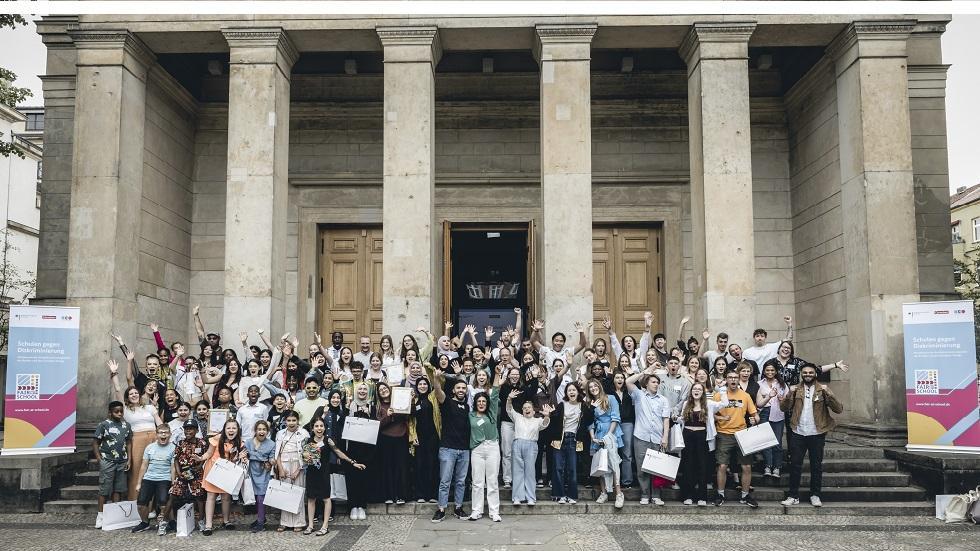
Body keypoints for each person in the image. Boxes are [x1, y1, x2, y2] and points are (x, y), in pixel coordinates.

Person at [780, 364, 844, 507]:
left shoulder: (822, 389)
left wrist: (829, 393)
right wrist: (789, 394)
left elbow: (838, 409)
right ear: (801, 374)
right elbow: (783, 408)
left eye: (810, 372)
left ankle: (815, 495)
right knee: (795, 465)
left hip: (817, 433)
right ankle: (793, 496)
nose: (807, 374)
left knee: (816, 466)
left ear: (815, 374)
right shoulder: (796, 389)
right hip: (798, 432)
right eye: (805, 372)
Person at [108, 359, 163, 501]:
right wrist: (114, 373)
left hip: (154, 438)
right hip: (137, 439)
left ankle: (152, 505)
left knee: (155, 470)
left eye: (135, 393)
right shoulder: (125, 410)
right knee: (137, 470)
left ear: (139, 394)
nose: (134, 395)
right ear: (127, 397)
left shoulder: (150, 407)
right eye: (131, 394)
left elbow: (159, 423)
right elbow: (118, 389)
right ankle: (135, 502)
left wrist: (164, 434)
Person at [303, 417, 364, 536]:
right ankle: (310, 525)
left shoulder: (328, 440)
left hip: (324, 473)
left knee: (326, 498)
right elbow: (305, 457)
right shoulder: (308, 441)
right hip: (311, 473)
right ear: (312, 428)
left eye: (321, 426)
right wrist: (306, 457)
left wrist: (352, 462)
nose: (319, 428)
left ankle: (325, 526)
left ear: (324, 428)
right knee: (311, 499)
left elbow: (338, 452)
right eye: (316, 426)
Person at [712, 371, 760, 508]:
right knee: (722, 465)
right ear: (726, 380)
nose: (733, 380)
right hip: (723, 433)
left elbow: (755, 415)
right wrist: (720, 418)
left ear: (739, 380)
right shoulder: (719, 395)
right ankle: (720, 494)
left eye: (735, 377)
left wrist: (755, 420)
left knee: (747, 466)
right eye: (730, 377)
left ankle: (745, 496)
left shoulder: (745, 396)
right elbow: (710, 414)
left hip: (742, 433)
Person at [625, 368, 670, 506]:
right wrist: (645, 372)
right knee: (642, 467)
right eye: (653, 382)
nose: (656, 384)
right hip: (641, 436)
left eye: (657, 382)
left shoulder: (663, 400)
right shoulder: (639, 395)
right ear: (646, 383)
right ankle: (645, 494)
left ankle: (656, 495)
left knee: (657, 468)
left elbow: (666, 419)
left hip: (657, 437)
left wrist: (665, 437)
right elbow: (628, 381)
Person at [431, 375, 470, 522]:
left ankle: (458, 508)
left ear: (466, 391)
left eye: (463, 388)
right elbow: (438, 391)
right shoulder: (447, 402)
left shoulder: (467, 407)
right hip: (448, 449)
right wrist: (436, 379)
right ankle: (441, 509)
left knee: (461, 481)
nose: (461, 390)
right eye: (458, 388)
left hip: (464, 450)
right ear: (453, 390)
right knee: (445, 481)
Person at [505, 389, 553, 507]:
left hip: (531, 445)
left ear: (533, 410)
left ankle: (530, 497)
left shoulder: (537, 420)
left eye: (529, 407)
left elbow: (545, 424)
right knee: (517, 472)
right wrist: (509, 398)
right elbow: (509, 409)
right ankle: (517, 497)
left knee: (530, 472)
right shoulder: (518, 417)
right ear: (522, 410)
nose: (527, 409)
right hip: (518, 444)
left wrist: (547, 415)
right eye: (525, 408)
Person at [201, 419, 248, 536]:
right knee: (211, 496)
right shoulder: (217, 438)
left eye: (234, 428)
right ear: (224, 429)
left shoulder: (239, 442)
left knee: (226, 497)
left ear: (238, 430)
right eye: (228, 428)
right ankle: (208, 525)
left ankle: (226, 521)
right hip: (213, 469)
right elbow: (209, 453)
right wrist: (200, 458)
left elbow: (234, 460)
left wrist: (240, 457)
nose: (231, 430)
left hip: (227, 471)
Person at [546, 381, 591, 504]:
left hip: (574, 439)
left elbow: (589, 420)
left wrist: (592, 407)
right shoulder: (562, 405)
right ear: (566, 393)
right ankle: (558, 494)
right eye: (569, 390)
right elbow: (554, 422)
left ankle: (572, 495)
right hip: (559, 439)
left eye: (573, 390)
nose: (571, 392)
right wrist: (550, 414)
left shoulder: (583, 406)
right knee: (558, 467)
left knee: (572, 468)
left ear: (578, 392)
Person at [93, 401, 133, 529]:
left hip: (122, 461)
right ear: (110, 412)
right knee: (104, 489)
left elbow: (129, 442)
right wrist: (99, 459)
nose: (119, 414)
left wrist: (129, 459)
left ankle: (115, 515)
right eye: (116, 411)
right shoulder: (103, 425)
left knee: (118, 489)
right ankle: (100, 516)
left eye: (121, 411)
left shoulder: (126, 425)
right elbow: (95, 442)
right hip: (107, 461)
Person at [468, 374, 502, 521]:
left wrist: (497, 374)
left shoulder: (491, 414)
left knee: (492, 481)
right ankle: (476, 510)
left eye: (483, 401)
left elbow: (494, 394)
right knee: (477, 482)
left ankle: (494, 512)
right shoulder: (470, 415)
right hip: (477, 449)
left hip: (492, 447)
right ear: (475, 403)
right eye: (479, 401)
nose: (481, 403)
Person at [676, 382, 717, 506]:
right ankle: (688, 496)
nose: (697, 391)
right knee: (688, 466)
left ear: (703, 392)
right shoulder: (686, 404)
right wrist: (676, 418)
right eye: (694, 389)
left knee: (702, 466)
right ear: (691, 391)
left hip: (702, 437)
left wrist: (720, 388)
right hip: (688, 436)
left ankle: (702, 497)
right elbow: (683, 420)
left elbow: (724, 404)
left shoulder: (708, 404)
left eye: (699, 389)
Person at [587, 379, 625, 508]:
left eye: (595, 385)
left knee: (614, 463)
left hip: (611, 433)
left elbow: (616, 417)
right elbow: (590, 423)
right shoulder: (590, 403)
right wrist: (593, 437)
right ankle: (604, 492)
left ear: (600, 386)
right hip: (598, 434)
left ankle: (619, 493)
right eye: (590, 387)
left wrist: (609, 435)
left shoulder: (611, 398)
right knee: (601, 463)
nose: (593, 388)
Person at [131, 425, 176, 534]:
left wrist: (173, 483)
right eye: (161, 432)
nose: (163, 434)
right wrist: (138, 483)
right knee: (141, 504)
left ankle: (169, 522)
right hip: (149, 478)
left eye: (166, 432)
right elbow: (144, 465)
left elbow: (173, 467)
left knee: (163, 503)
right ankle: (145, 523)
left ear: (170, 434)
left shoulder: (173, 448)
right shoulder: (149, 447)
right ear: (156, 435)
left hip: (164, 478)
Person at [167, 419, 207, 533]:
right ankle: (164, 522)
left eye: (191, 429)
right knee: (173, 495)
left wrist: (199, 467)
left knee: (199, 497)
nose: (188, 431)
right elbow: (175, 459)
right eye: (186, 429)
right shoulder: (180, 443)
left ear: (196, 430)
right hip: (183, 473)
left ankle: (201, 521)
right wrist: (178, 472)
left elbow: (205, 457)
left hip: (196, 473)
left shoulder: (202, 443)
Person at [345, 383, 376, 520]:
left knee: (364, 478)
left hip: (367, 448)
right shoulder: (349, 406)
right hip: (352, 447)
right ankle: (353, 506)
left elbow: (376, 425)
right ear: (356, 391)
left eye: (365, 389)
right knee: (352, 478)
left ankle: (362, 506)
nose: (362, 391)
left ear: (368, 392)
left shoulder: (372, 407)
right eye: (360, 389)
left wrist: (369, 414)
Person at [376, 382, 410, 505]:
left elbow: (408, 414)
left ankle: (401, 496)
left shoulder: (398, 401)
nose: (383, 390)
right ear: (378, 394)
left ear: (389, 389)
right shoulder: (379, 407)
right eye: (380, 390)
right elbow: (377, 425)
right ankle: (389, 496)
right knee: (388, 468)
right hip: (386, 439)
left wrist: (409, 400)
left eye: (385, 387)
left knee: (401, 467)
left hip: (401, 437)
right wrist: (388, 416)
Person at [275, 411, 310, 532]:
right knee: (285, 493)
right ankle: (285, 521)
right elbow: (277, 453)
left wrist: (298, 470)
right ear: (285, 421)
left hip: (298, 464)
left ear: (298, 421)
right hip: (284, 464)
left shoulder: (304, 433)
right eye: (289, 420)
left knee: (298, 493)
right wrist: (280, 469)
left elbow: (307, 454)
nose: (291, 423)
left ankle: (299, 521)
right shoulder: (280, 433)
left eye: (293, 420)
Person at [408, 373, 440, 503]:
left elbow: (440, 384)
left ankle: (432, 494)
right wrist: (413, 436)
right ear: (416, 387)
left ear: (428, 385)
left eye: (425, 384)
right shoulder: (414, 400)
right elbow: (410, 419)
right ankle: (420, 494)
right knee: (419, 465)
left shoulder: (433, 397)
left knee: (432, 465)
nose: (422, 386)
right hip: (419, 438)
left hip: (433, 437)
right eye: (420, 384)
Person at [762, 340, 849, 387]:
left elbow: (816, 369)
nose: (786, 349)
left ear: (791, 351)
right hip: (774, 396)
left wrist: (835, 365)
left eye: (788, 348)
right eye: (784, 347)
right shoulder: (771, 362)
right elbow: (763, 380)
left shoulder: (797, 362)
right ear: (779, 349)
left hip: (792, 396)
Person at [756, 363, 789, 478]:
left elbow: (788, 402)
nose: (770, 372)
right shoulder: (759, 384)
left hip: (778, 413)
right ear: (764, 371)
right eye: (767, 370)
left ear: (776, 371)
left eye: (772, 370)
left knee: (777, 441)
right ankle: (768, 466)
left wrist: (782, 399)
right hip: (764, 413)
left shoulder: (782, 384)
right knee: (766, 441)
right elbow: (758, 402)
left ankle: (777, 467)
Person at [245, 420, 276, 533]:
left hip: (264, 473)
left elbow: (271, 458)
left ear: (267, 431)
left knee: (260, 498)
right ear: (255, 430)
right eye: (259, 429)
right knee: (255, 497)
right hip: (251, 472)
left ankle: (260, 523)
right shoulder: (248, 442)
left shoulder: (271, 444)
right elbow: (244, 455)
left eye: (264, 429)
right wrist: (262, 457)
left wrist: (271, 461)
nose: (261, 431)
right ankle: (261, 517)